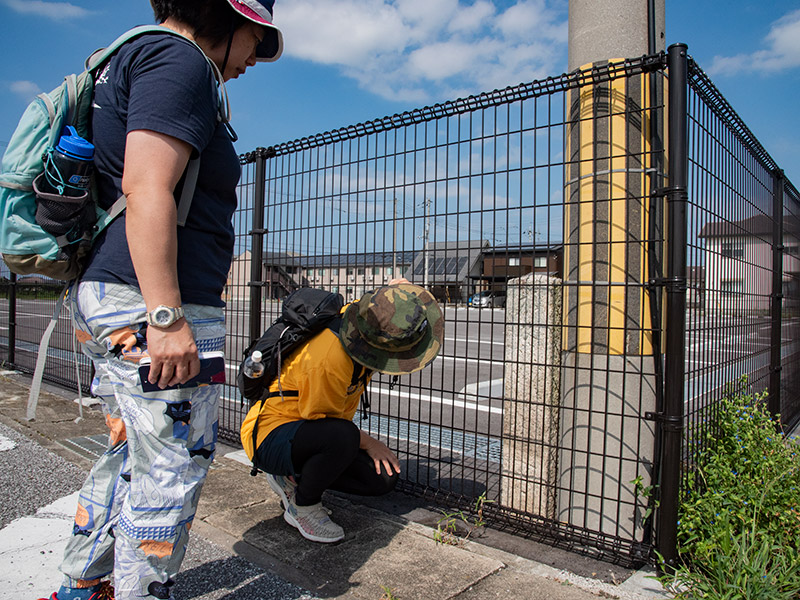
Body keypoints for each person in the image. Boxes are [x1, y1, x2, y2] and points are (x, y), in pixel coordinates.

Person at [40, 2, 283, 600]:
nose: (254, 58)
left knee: (129, 456)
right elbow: (146, 184)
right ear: (226, 14)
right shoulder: (179, 60)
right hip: (151, 302)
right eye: (257, 36)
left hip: (114, 293)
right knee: (172, 468)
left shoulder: (128, 57)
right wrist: (167, 316)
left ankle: (83, 585)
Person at [240, 282, 444, 543]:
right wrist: (370, 443)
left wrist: (405, 293)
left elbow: (387, 300)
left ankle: (292, 477)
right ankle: (302, 506)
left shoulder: (364, 321)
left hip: (308, 432)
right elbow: (325, 423)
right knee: (343, 437)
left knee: (381, 478)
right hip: (271, 436)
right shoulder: (328, 358)